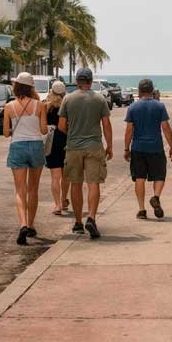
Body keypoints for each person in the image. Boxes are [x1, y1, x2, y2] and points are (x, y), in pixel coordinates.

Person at [58, 68, 112, 239]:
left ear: (77, 80)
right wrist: (109, 146)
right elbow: (106, 125)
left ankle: (78, 222)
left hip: (73, 146)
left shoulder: (68, 98)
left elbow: (61, 125)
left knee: (75, 184)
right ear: (90, 80)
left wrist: (73, 134)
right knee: (93, 183)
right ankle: (92, 218)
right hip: (94, 146)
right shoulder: (99, 99)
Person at [3, 72, 48, 246]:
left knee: (20, 190)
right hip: (36, 146)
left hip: (18, 146)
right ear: (31, 87)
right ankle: (31, 224)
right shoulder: (39, 106)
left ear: (16, 86)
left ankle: (22, 224)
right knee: (33, 189)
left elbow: (6, 133)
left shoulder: (9, 107)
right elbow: (44, 130)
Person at [124, 78, 172, 219]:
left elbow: (129, 130)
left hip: (138, 148)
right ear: (152, 90)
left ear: (139, 91)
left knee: (139, 178)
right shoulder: (159, 106)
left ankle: (142, 210)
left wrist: (126, 148)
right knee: (159, 175)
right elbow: (166, 127)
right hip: (156, 147)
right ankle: (156, 197)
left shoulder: (132, 108)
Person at [44, 81, 70, 216]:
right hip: (66, 140)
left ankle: (57, 205)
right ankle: (64, 199)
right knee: (66, 175)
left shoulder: (46, 106)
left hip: (51, 140)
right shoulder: (67, 106)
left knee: (55, 176)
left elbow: (42, 125)